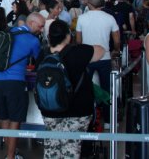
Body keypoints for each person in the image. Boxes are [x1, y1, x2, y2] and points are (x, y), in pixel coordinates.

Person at [40, 20, 105, 159]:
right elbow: (101, 51)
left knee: (51, 148)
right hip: (77, 110)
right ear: (68, 35)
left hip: (50, 109)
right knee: (71, 148)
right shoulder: (79, 52)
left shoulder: (43, 54)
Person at [0, 12, 44, 159]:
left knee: (4, 117)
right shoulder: (32, 40)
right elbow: (38, 59)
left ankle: (9, 153)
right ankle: (10, 156)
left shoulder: (8, 32)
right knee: (15, 120)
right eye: (40, 26)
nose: (41, 30)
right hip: (15, 82)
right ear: (32, 23)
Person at [75, 0, 119, 127]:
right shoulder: (109, 18)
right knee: (107, 89)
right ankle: (108, 121)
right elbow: (117, 39)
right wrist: (115, 51)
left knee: (84, 88)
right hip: (105, 57)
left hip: (87, 58)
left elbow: (78, 41)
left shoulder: (82, 18)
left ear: (89, 4)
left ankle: (86, 119)